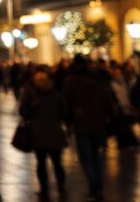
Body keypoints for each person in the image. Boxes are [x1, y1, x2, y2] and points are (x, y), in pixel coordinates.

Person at [64, 55, 115, 202]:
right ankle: (97, 187)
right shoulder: (98, 80)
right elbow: (108, 100)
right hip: (99, 124)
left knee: (86, 159)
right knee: (97, 158)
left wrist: (68, 122)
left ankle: (95, 188)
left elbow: (67, 103)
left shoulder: (71, 81)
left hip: (81, 125)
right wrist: (108, 116)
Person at [19, 66, 67, 200]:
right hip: (55, 131)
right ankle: (61, 185)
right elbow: (63, 111)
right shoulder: (55, 91)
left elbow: (23, 112)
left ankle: (44, 189)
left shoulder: (29, 91)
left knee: (41, 163)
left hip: (37, 132)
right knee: (57, 162)